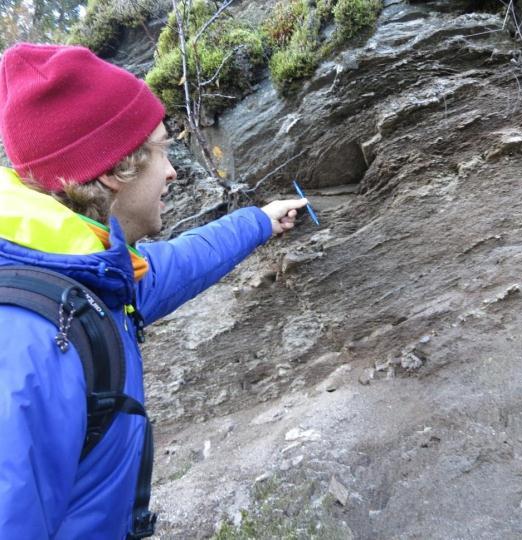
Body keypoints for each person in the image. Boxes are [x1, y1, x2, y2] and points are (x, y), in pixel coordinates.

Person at [0, 42, 307, 539]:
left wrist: (258, 221)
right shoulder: (25, 341)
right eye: (162, 150)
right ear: (112, 169)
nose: (172, 170)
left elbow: (175, 264)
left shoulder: (82, 277)